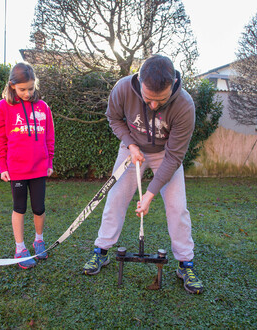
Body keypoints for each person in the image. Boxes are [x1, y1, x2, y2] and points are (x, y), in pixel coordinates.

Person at [83, 55, 203, 294]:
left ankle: (185, 263)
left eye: (161, 99)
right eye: (149, 99)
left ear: (174, 84)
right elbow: (114, 118)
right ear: (139, 81)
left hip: (165, 155)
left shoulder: (185, 105)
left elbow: (174, 157)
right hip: (132, 149)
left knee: (177, 206)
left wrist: (149, 194)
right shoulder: (123, 88)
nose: (154, 105)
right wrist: (130, 144)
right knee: (115, 198)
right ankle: (102, 251)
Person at [0, 62, 55, 269]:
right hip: (16, 169)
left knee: (39, 207)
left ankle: (39, 240)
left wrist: (49, 161)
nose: (27, 93)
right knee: (19, 207)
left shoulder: (43, 107)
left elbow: (49, 137)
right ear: (12, 86)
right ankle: (20, 248)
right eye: (22, 89)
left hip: (38, 168)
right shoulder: (2, 108)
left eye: (31, 88)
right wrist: (3, 166)